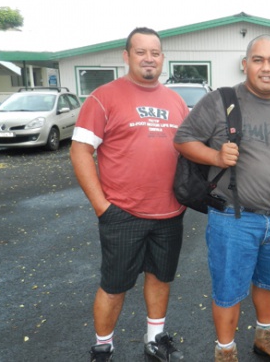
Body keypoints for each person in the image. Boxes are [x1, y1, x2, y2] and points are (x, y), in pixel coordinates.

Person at [174, 34, 270, 362]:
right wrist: (216, 157)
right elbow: (182, 140)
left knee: (269, 283)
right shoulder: (222, 101)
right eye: (258, 60)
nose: (266, 68)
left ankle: (266, 338)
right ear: (245, 63)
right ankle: (226, 351)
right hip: (233, 220)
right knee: (228, 289)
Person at [70, 27, 189, 362]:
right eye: (141, 52)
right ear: (126, 56)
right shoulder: (103, 97)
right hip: (122, 213)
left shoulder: (176, 101)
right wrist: (102, 206)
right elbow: (80, 151)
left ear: (162, 58)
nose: (149, 58)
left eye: (155, 52)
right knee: (115, 285)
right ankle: (103, 346)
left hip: (169, 213)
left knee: (161, 278)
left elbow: (189, 149)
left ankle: (156, 339)